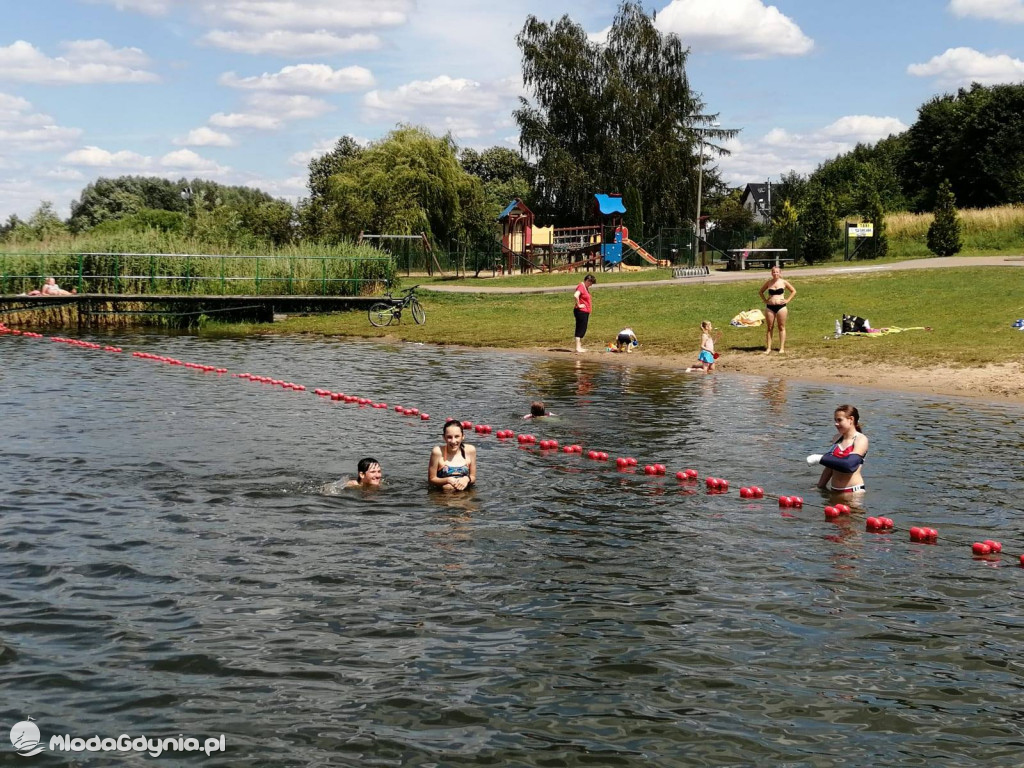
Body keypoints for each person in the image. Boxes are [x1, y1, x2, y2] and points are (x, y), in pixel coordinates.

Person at [807, 404, 869, 495]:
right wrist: (820, 487)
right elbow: (829, 467)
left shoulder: (861, 439)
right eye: (835, 420)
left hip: (853, 492)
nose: (836, 424)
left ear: (851, 419)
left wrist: (819, 458)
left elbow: (850, 465)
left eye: (839, 420)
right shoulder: (836, 438)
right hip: (834, 491)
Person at [428, 419, 477, 492]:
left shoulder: (470, 450)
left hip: (465, 494)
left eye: (457, 436)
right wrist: (447, 480)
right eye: (449, 437)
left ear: (463, 436)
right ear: (444, 438)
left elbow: (473, 477)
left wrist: (466, 479)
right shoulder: (437, 452)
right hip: (443, 496)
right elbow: (431, 479)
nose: (453, 441)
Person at [758, 265, 796, 354]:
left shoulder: (783, 282)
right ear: (771, 273)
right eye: (774, 272)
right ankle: (768, 348)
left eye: (777, 272)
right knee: (769, 327)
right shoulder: (768, 282)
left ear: (780, 273)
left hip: (781, 307)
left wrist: (787, 300)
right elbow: (760, 292)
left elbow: (793, 291)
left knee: (781, 327)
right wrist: (765, 300)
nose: (775, 273)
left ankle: (781, 348)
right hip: (770, 307)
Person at [572, 273, 596, 353]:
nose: (591, 285)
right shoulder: (581, 286)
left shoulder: (584, 287)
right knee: (580, 328)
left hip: (584, 312)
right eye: (591, 283)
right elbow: (576, 295)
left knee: (583, 328)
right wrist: (579, 305)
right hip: (581, 312)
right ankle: (577, 347)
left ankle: (579, 347)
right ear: (587, 281)